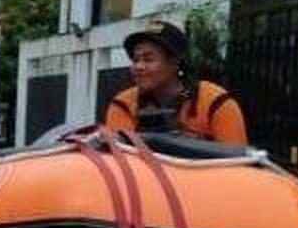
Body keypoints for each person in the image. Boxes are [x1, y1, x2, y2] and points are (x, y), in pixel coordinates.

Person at [105, 20, 248, 146]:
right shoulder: (123, 104)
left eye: (148, 59)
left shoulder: (216, 102)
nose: (139, 66)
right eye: (135, 60)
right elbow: (119, 161)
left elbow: (238, 163)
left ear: (174, 62)